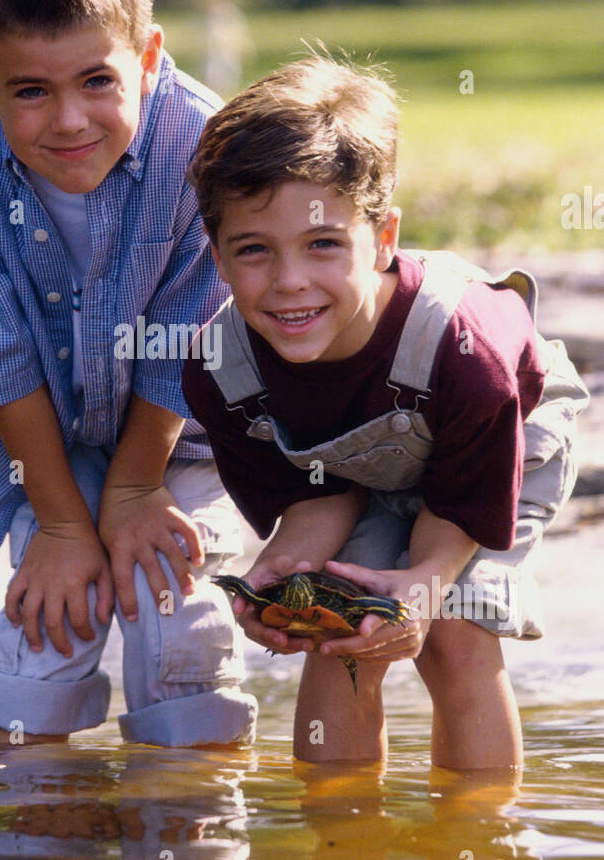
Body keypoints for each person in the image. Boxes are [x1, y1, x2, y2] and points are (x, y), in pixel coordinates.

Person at [0, 0, 257, 749]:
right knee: (47, 634)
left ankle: (189, 848)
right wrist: (64, 524)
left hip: (189, 435)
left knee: (172, 617)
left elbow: (190, 333)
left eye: (98, 80)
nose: (69, 120)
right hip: (42, 447)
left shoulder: (202, 145)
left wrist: (137, 489)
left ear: (147, 57)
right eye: (29, 90)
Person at [182, 53, 588, 770]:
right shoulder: (222, 372)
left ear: (384, 237)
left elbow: (462, 506)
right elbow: (316, 497)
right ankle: (337, 848)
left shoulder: (466, 352)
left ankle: (478, 849)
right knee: (339, 633)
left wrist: (424, 588)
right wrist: (283, 574)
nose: (289, 283)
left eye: (323, 245)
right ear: (215, 255)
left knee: (452, 633)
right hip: (363, 465)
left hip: (507, 440)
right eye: (253, 250)